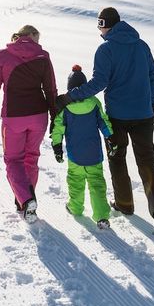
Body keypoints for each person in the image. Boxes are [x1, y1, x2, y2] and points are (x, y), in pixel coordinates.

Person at [56, 7, 154, 234]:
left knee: (117, 158)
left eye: (100, 27)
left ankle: (125, 204)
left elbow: (98, 83)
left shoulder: (105, 49)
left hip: (117, 115)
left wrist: (70, 96)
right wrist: (153, 103)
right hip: (144, 114)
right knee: (147, 161)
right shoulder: (141, 45)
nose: (100, 32)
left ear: (104, 24)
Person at [0, 25, 57, 223]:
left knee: (13, 160)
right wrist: (56, 116)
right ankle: (25, 200)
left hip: (14, 118)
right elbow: (51, 89)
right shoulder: (43, 56)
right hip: (39, 116)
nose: (37, 44)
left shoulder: (3, 55)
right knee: (31, 158)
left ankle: (26, 199)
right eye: (36, 40)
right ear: (30, 36)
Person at [50, 65, 113, 230]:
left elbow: (58, 128)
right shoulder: (94, 103)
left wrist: (57, 146)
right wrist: (110, 138)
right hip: (94, 154)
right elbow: (104, 122)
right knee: (97, 183)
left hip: (75, 156)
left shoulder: (66, 109)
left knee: (75, 181)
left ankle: (75, 207)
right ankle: (101, 216)